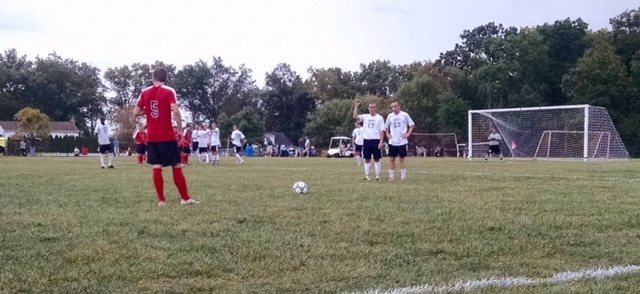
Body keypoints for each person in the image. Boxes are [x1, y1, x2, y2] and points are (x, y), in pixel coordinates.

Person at [133, 66, 197, 206]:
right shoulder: (169, 91)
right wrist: (180, 130)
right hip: (167, 135)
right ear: (165, 78)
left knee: (156, 166)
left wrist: (148, 110)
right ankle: (185, 198)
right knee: (176, 165)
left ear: (153, 78)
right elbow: (176, 111)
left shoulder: (144, 93)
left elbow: (135, 112)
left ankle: (161, 200)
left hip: (152, 137)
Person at [353, 99, 385, 181]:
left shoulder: (379, 118)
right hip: (367, 140)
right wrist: (356, 106)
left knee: (377, 158)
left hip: (376, 140)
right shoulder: (365, 116)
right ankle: (367, 175)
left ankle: (378, 175)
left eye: (373, 107)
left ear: (376, 108)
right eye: (370, 107)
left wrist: (381, 142)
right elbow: (355, 116)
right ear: (368, 108)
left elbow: (382, 131)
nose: (371, 109)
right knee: (367, 158)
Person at [385, 100, 415, 181]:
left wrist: (408, 133)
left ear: (399, 106)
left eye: (395, 106)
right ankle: (391, 177)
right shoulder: (390, 116)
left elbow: (412, 125)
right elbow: (386, 126)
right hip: (392, 141)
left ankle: (403, 177)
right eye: (392, 107)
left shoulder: (405, 115)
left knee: (402, 159)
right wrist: (387, 134)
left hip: (402, 141)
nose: (394, 108)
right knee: (392, 159)